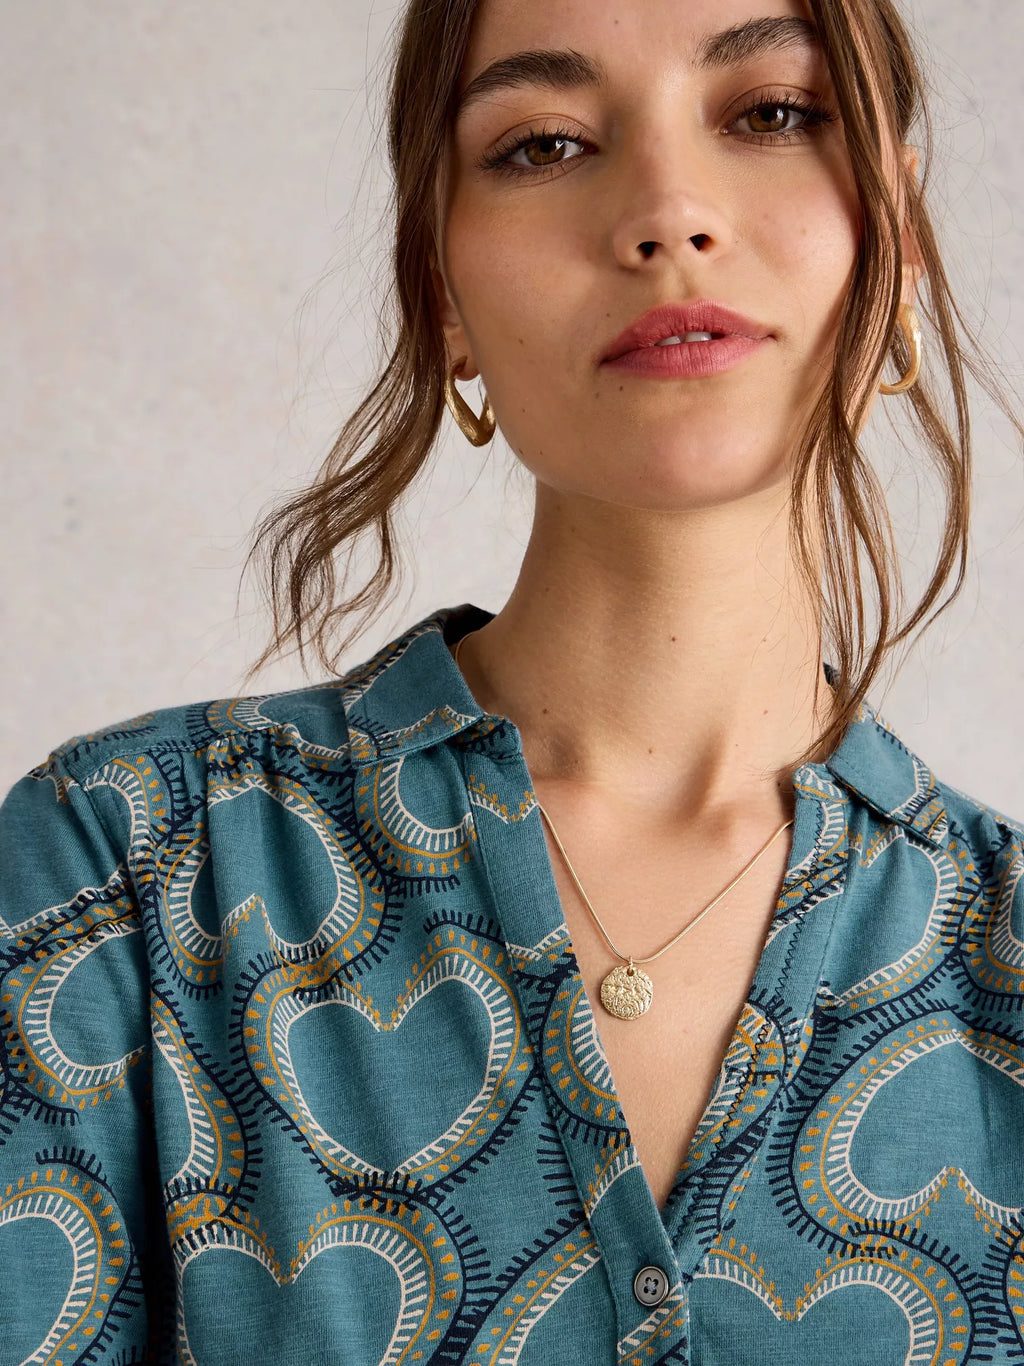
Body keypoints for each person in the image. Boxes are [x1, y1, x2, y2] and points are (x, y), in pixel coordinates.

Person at [2, 0, 1022, 1360]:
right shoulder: (131, 875)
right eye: (545, 144)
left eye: (773, 115)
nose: (668, 213)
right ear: (440, 290)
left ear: (898, 236)